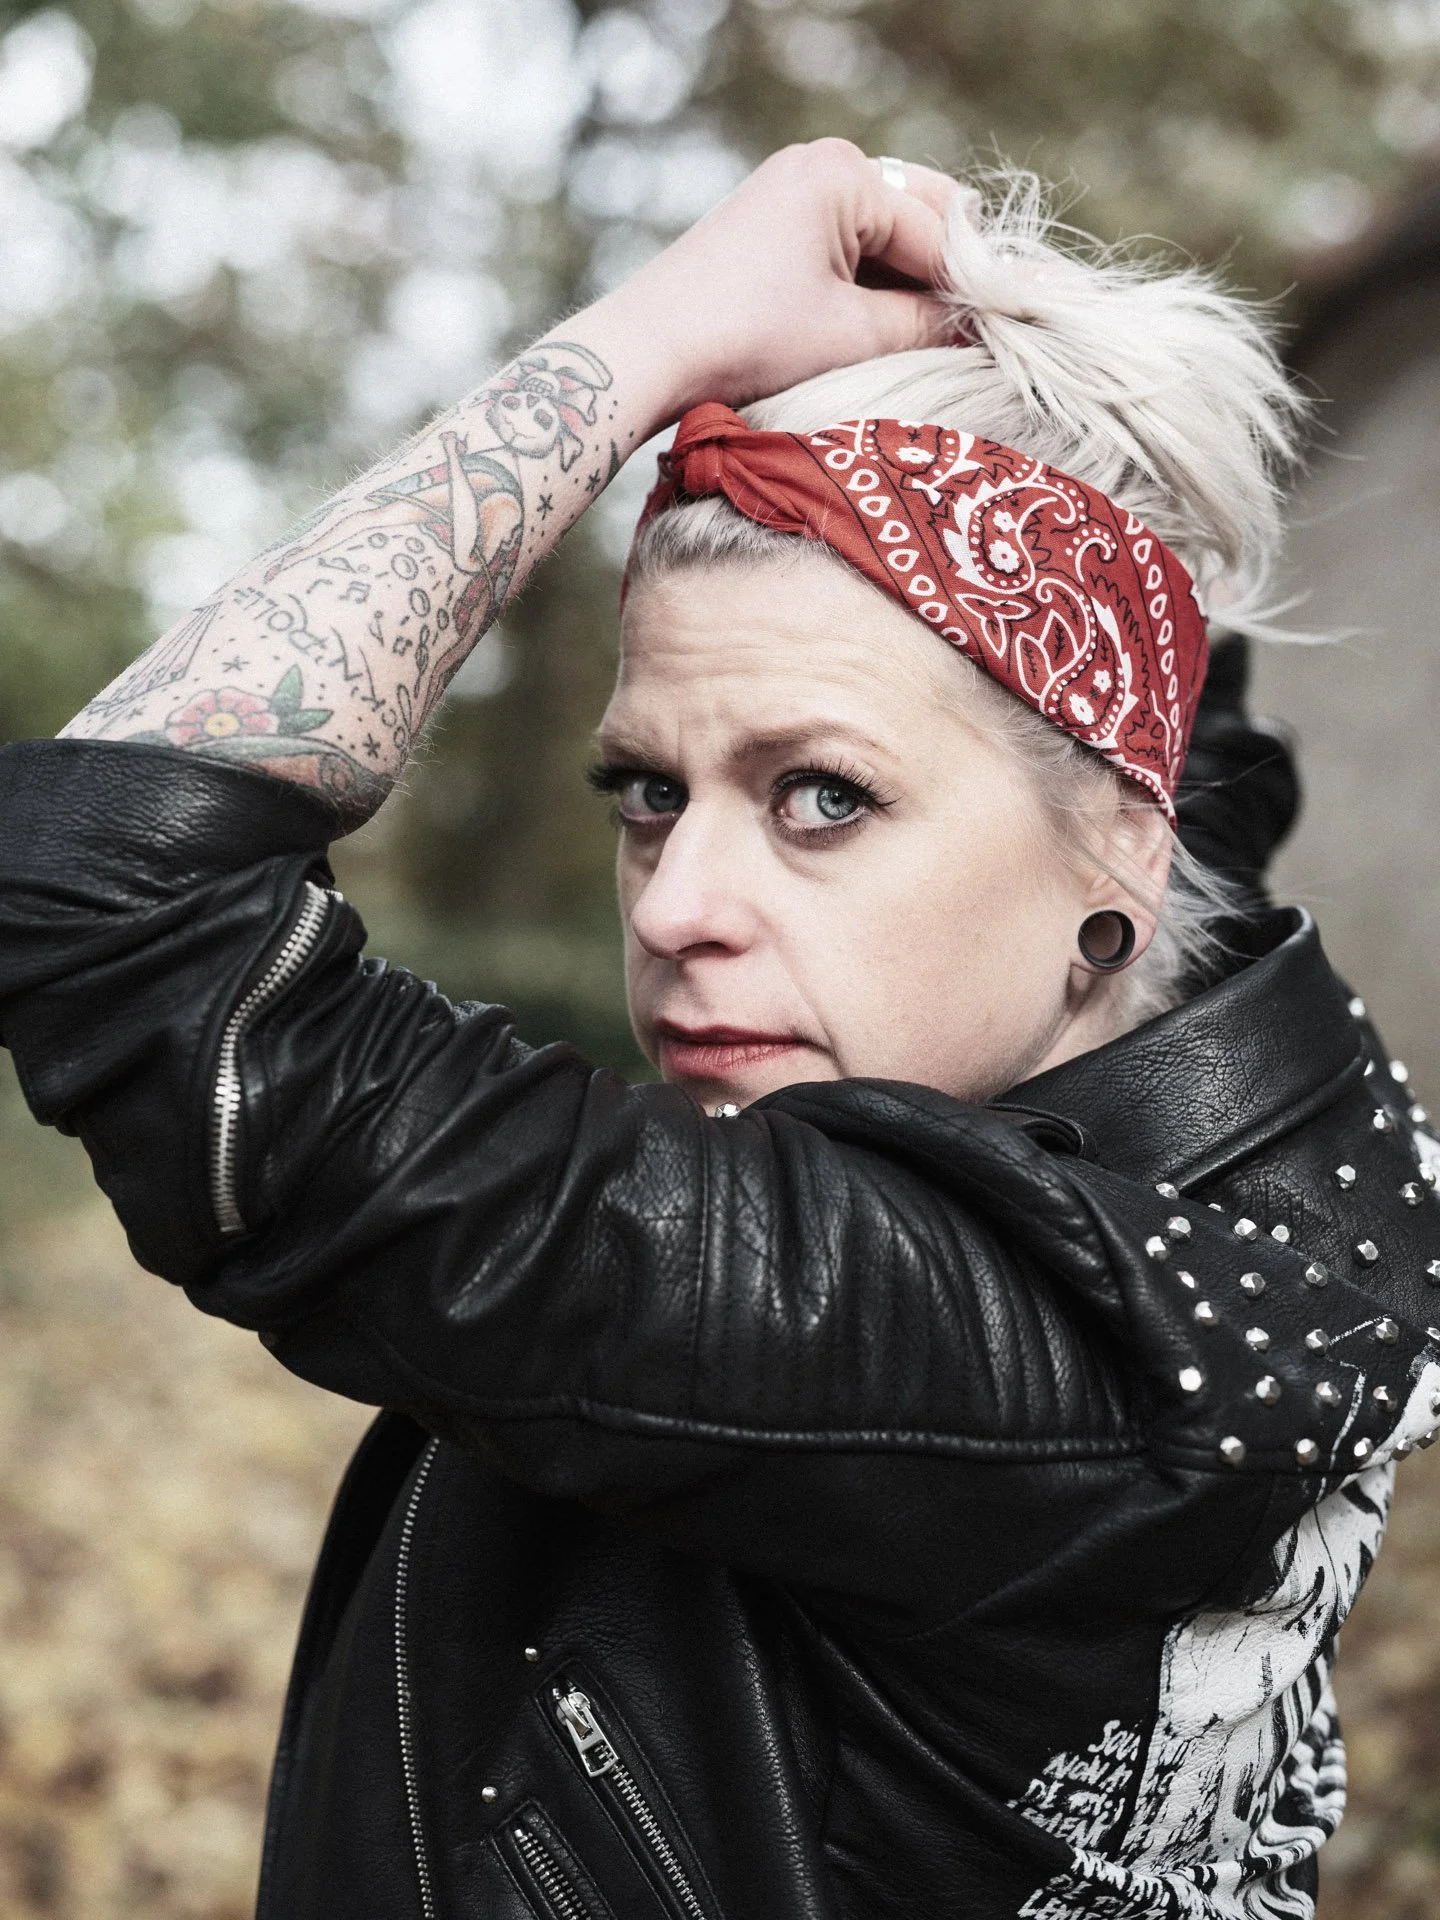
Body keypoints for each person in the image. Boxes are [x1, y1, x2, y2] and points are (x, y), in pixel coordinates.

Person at [0, 139, 1436, 1920]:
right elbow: (1180, 726)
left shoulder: (926, 1339)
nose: (677, 904)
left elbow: (110, 902)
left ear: (1120, 850)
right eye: (648, 791)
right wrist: (1005, 404)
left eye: (821, 797)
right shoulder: (1284, 1152)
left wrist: (653, 341)